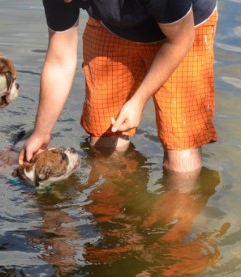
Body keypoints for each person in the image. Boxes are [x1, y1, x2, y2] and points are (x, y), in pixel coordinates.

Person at [19, 0, 218, 173]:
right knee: (104, 139)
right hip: (113, 28)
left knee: (181, 149)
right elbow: (59, 60)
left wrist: (138, 101)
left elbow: (181, 40)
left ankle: (180, 211)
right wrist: (41, 132)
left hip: (184, 28)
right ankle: (111, 209)